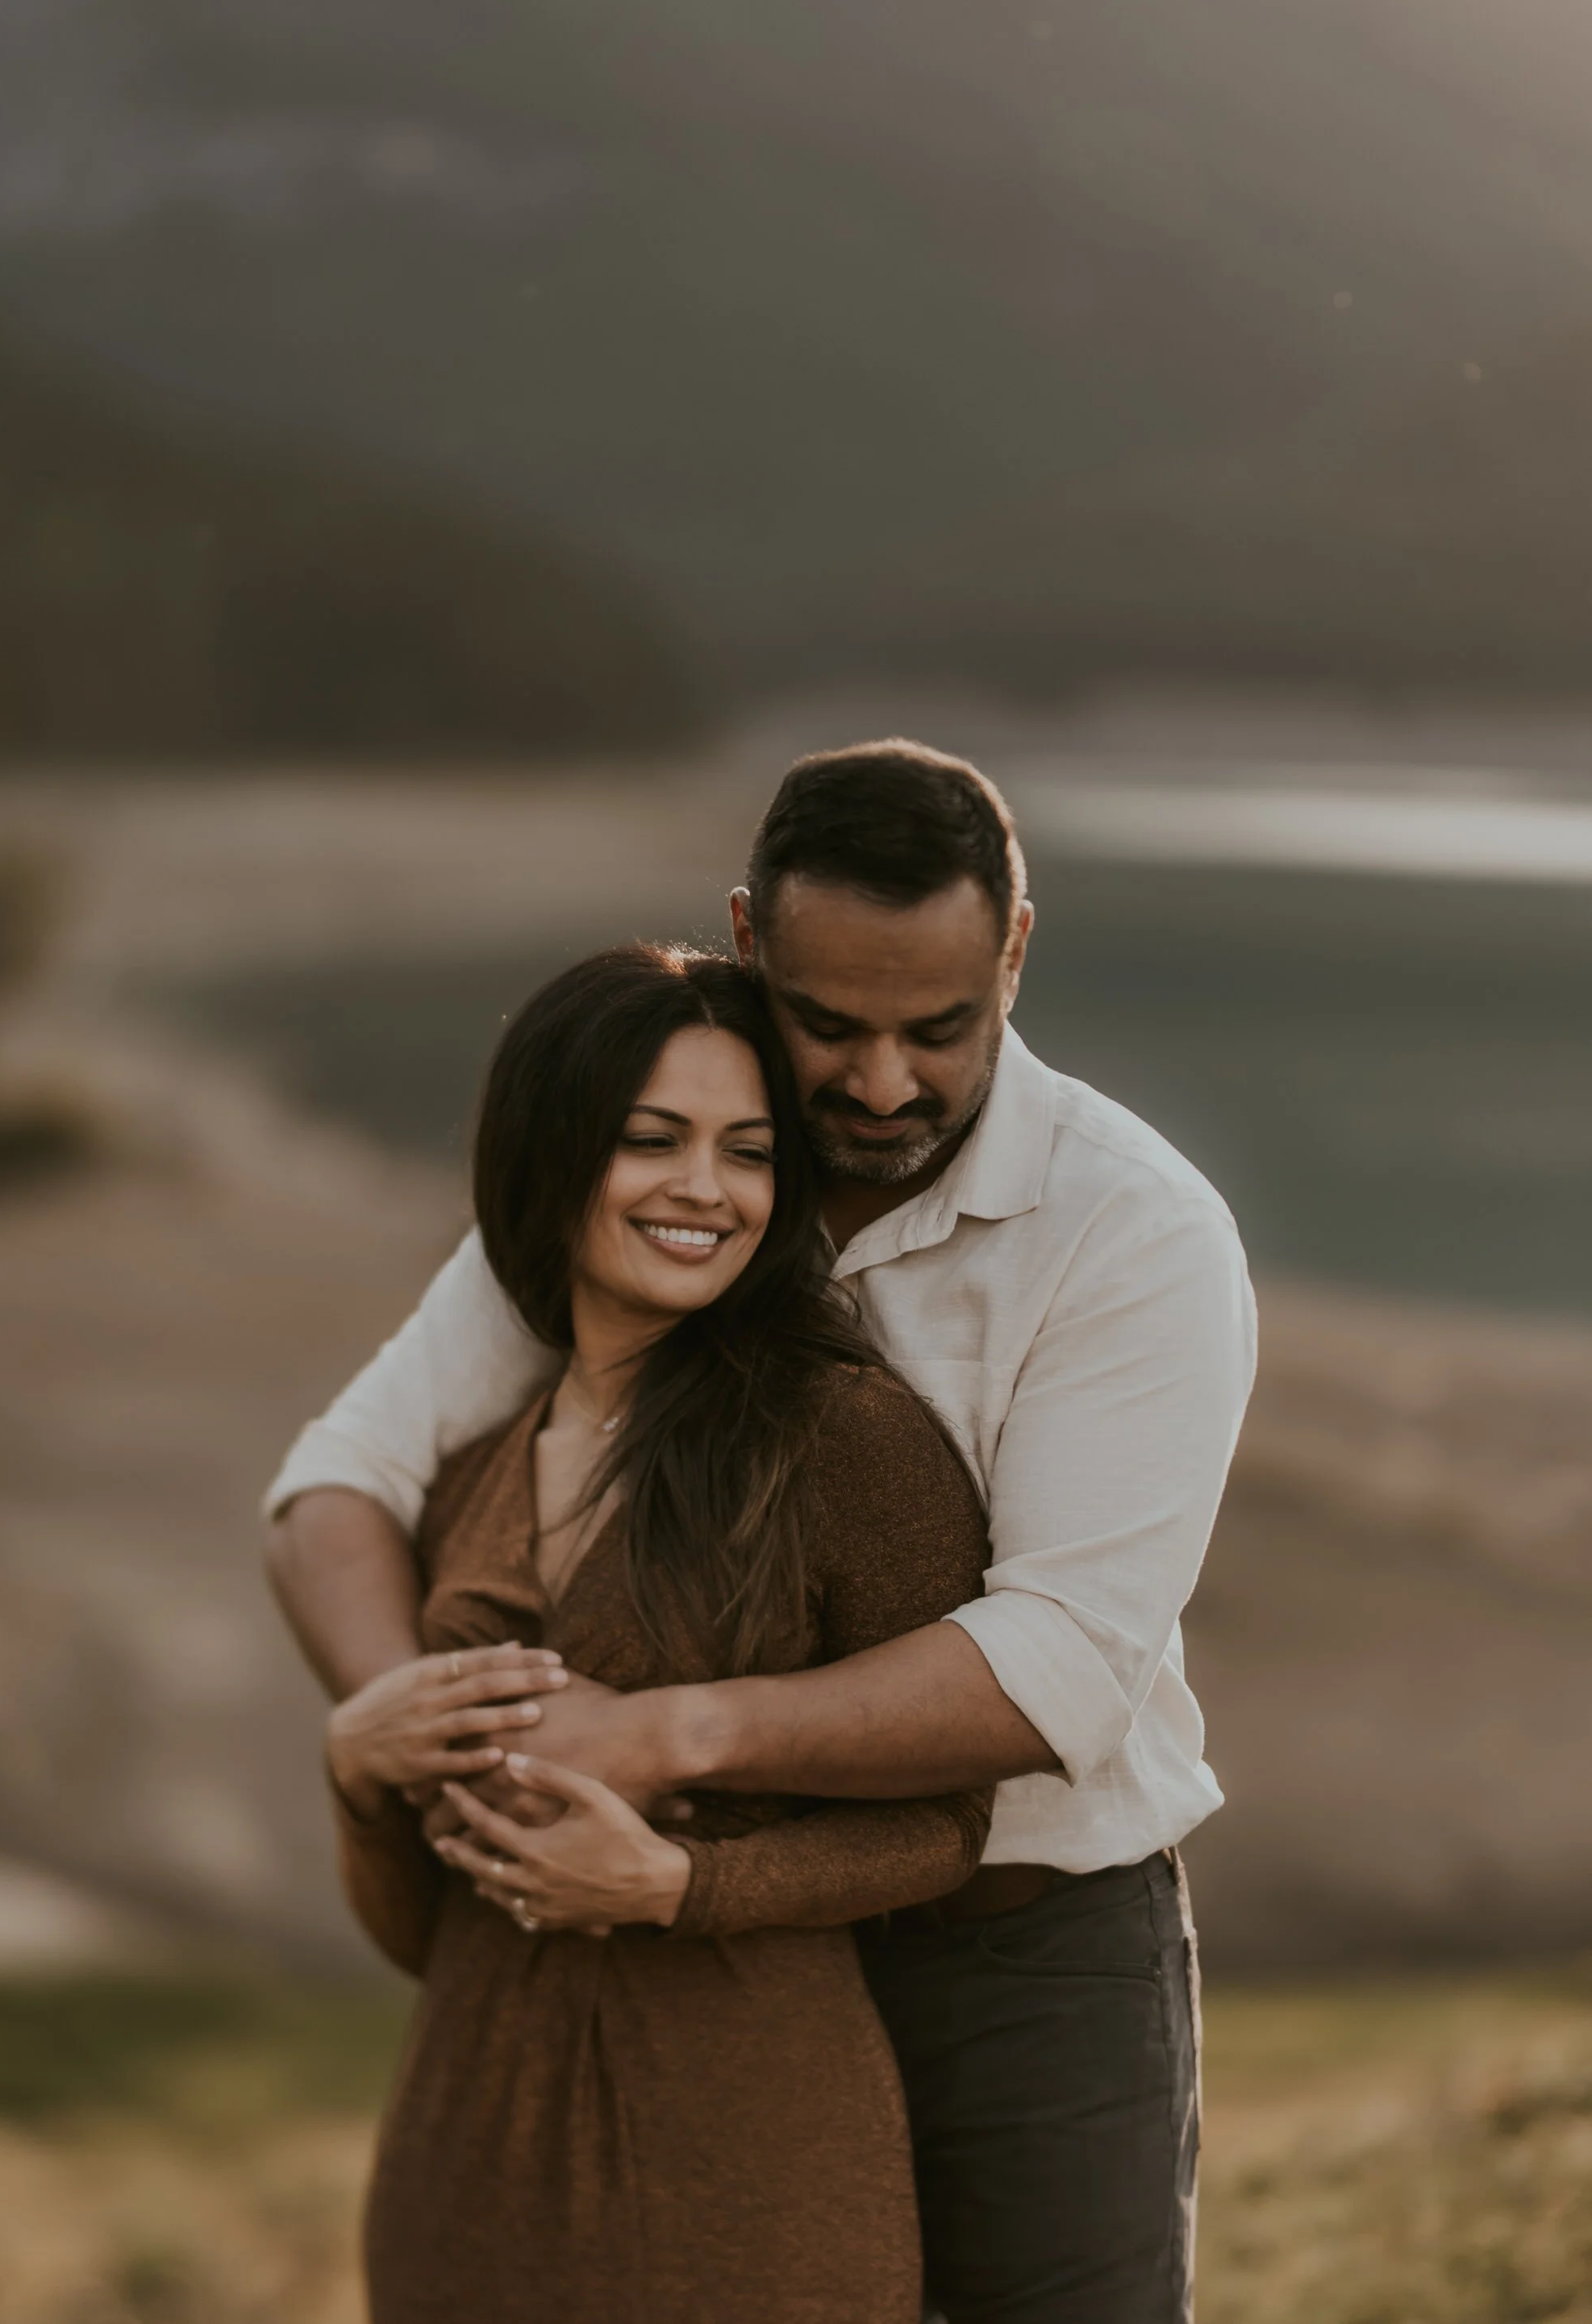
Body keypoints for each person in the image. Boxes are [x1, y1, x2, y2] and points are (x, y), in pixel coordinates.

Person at [268, 740, 1258, 2324]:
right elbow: (345, 1482)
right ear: (749, 941)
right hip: (701, 1959)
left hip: (1015, 1950)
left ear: (1015, 950)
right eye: (831, 1024)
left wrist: (661, 1733)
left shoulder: (1134, 1231)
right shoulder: (686, 1155)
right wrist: (414, 1718)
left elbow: (1061, 1665)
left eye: (940, 1028)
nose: (883, 1084)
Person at [326, 943, 993, 2323]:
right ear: (550, 1148)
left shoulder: (841, 1437)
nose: (706, 1187)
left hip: (748, 2168)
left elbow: (948, 1829)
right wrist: (358, 1771)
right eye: (652, 1139)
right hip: (461, 2163)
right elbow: (423, 1927)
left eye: (749, 1152)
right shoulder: (472, 1473)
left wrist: (684, 1885)